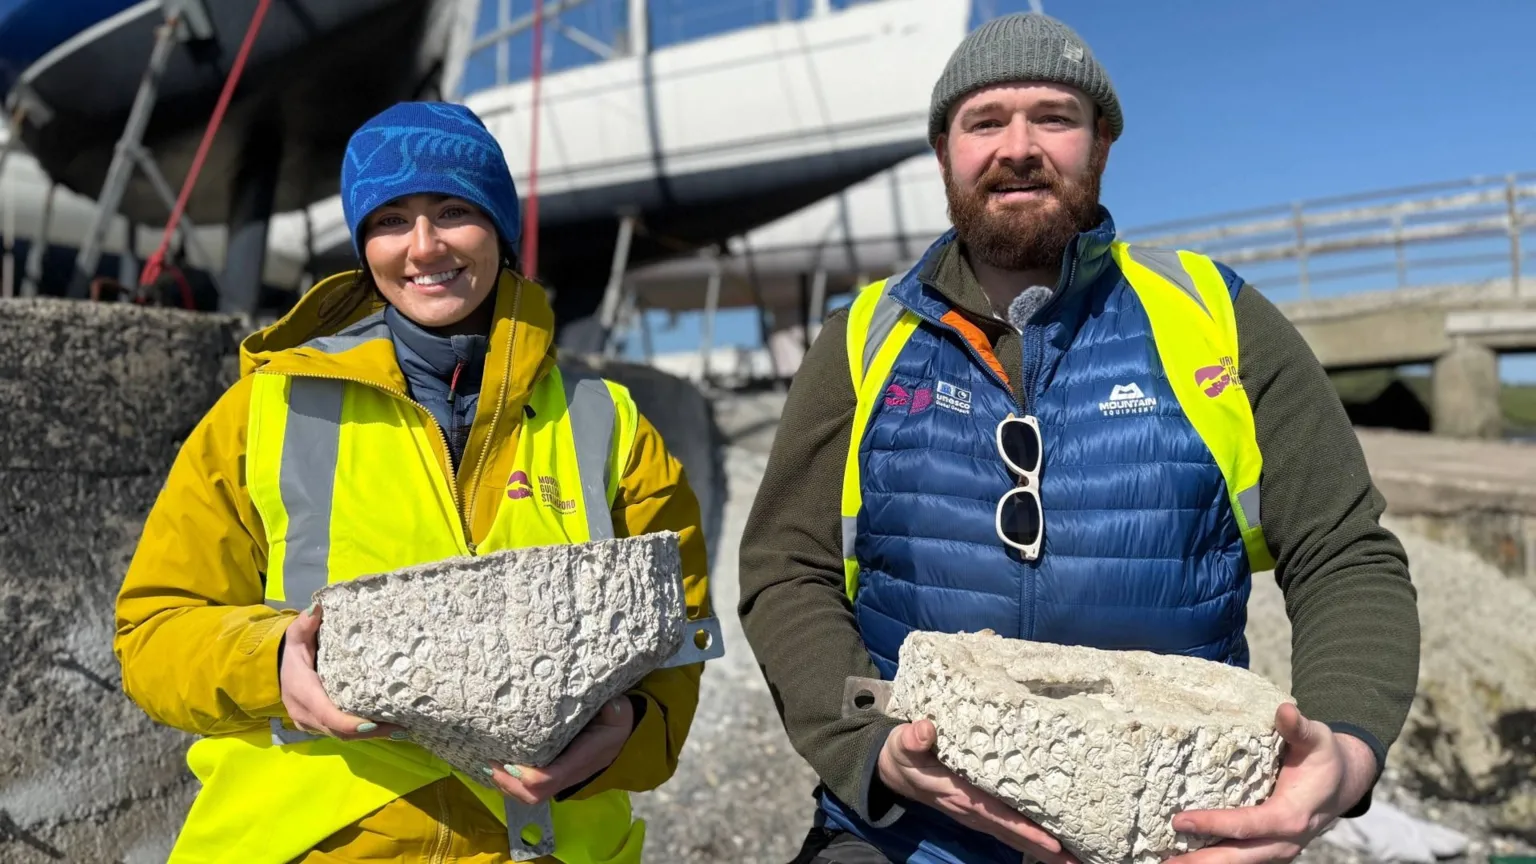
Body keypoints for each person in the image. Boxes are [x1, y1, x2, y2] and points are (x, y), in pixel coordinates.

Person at [738, 13, 1420, 864]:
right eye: (984, 122)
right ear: (944, 151)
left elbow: (1344, 551)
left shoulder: (1216, 317)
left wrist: (1347, 750)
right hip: (910, 834)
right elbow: (784, 565)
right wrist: (862, 744)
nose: (1017, 146)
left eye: (1053, 118)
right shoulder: (861, 340)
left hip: (1175, 833)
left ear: (1101, 144)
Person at [113, 100, 710, 863]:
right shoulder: (263, 410)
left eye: (454, 210)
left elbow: (681, 643)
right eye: (390, 220)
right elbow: (154, 631)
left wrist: (630, 726)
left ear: (499, 228)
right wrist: (272, 665)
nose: (424, 247)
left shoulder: (612, 426)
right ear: (364, 246)